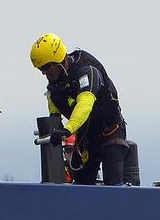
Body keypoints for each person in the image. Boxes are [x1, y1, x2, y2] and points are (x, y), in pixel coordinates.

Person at [30, 33, 127, 186]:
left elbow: (85, 104)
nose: (44, 72)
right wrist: (55, 127)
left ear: (59, 60)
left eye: (46, 67)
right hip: (86, 136)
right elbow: (53, 107)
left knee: (113, 183)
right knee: (81, 183)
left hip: (110, 131)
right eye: (40, 69)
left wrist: (67, 130)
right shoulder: (54, 86)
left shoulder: (87, 71)